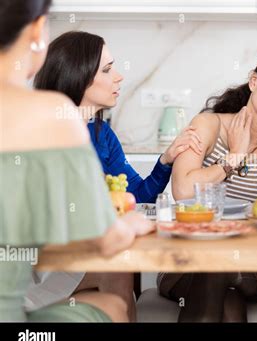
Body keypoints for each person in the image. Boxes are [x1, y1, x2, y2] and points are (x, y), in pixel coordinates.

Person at [30, 30, 202, 322]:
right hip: (41, 263)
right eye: (108, 70)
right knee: (118, 267)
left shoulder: (101, 132)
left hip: (82, 251)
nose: (119, 77)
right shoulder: (44, 133)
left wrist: (166, 160)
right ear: (78, 76)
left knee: (119, 268)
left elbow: (137, 196)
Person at [0, 0, 155, 322]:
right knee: (114, 301)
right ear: (37, 31)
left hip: (37, 279)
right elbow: (107, 237)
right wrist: (130, 223)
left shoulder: (90, 128)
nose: (119, 78)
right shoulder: (53, 115)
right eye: (108, 70)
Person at [158, 50, 257, 322]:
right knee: (228, 296)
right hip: (188, 260)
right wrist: (231, 160)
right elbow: (183, 190)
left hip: (252, 266)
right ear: (254, 81)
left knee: (220, 268)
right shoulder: (207, 125)